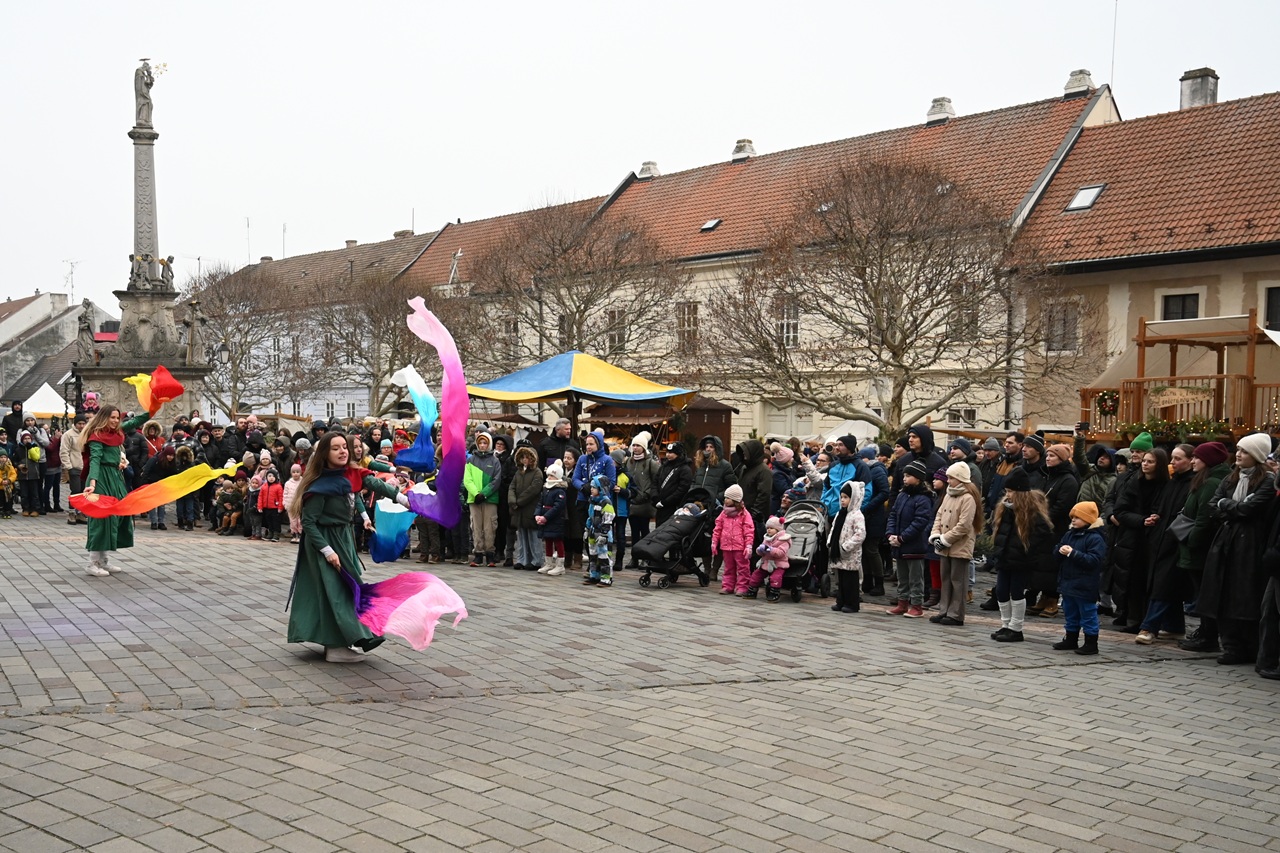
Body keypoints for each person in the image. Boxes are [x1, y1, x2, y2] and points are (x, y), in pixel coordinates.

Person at [286, 430, 410, 663]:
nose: (343, 451)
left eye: (345, 446)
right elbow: (309, 524)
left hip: (344, 537)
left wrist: (406, 499)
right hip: (324, 541)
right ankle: (336, 647)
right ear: (325, 453)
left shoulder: (352, 473)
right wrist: (328, 551)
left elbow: (374, 484)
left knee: (344, 590)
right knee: (337, 592)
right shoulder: (320, 485)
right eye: (336, 448)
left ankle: (337, 642)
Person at [1193, 433, 1275, 664]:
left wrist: (1228, 506)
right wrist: (1233, 506)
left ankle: (1247, 645)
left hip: (1250, 544)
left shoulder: (1267, 480)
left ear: (1257, 455)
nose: (1239, 454)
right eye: (1238, 449)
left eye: (1245, 451)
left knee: (1244, 595)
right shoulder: (1230, 478)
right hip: (1225, 541)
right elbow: (1213, 506)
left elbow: (1250, 510)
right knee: (1222, 592)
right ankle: (1230, 645)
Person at [1136, 444, 1195, 643]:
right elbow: (1161, 506)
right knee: (1169, 585)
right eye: (1172, 458)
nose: (1173, 462)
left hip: (1177, 540)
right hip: (1161, 538)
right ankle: (1174, 626)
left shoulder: (1193, 483)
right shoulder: (1172, 482)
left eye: (1178, 459)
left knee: (1164, 584)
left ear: (1190, 460)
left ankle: (1148, 627)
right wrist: (1156, 516)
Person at [80, 406, 149, 576]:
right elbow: (95, 460)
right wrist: (93, 482)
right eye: (112, 417)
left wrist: (153, 409)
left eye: (117, 418)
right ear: (104, 417)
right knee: (101, 519)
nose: (115, 421)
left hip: (116, 476)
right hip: (101, 477)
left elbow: (136, 421)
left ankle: (103, 561)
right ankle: (92, 562)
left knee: (116, 517)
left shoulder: (116, 432)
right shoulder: (97, 436)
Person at [989, 467, 1054, 642]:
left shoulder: (1031, 513)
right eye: (1007, 491)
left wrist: (1028, 554)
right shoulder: (1005, 509)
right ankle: (1005, 624)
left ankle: (1016, 628)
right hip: (1005, 557)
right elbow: (1000, 533)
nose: (1007, 495)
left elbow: (1042, 536)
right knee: (1001, 591)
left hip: (1021, 560)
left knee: (1017, 592)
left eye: (1011, 491)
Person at [1175, 442, 1231, 640]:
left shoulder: (1210, 483)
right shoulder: (1205, 479)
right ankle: (1205, 630)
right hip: (1195, 547)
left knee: (1204, 593)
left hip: (1199, 549)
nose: (1193, 461)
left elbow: (1204, 518)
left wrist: (1191, 542)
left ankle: (1208, 633)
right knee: (1200, 592)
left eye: (1197, 458)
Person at [1110, 448, 1169, 631]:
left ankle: (1146, 620)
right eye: (1145, 461)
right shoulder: (1133, 483)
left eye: (1150, 462)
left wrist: (1154, 519)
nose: (1145, 464)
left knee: (1149, 581)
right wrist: (1142, 520)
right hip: (1132, 536)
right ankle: (1131, 617)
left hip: (1155, 538)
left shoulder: (1166, 486)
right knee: (1131, 578)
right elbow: (1120, 510)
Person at [929, 461, 983, 626]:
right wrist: (936, 535)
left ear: (960, 479)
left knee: (957, 580)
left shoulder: (968, 498)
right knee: (945, 578)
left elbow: (964, 526)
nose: (948, 481)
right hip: (944, 544)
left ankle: (956, 614)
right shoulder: (948, 495)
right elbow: (939, 516)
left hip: (959, 545)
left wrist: (945, 539)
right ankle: (944, 610)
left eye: (951, 478)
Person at [1054, 501, 1108, 655]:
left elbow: (1094, 561)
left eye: (1078, 517)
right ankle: (1071, 638)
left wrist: (1073, 553)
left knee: (1088, 613)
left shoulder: (1095, 538)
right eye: (1072, 517)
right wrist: (1059, 550)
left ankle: (1091, 643)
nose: (1073, 520)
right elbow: (1057, 553)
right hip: (1068, 582)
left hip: (1085, 585)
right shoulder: (1069, 534)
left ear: (1088, 520)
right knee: (1070, 612)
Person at [886, 460, 934, 618]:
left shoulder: (923, 498)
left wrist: (902, 537)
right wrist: (890, 534)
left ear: (919, 478)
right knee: (902, 576)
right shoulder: (902, 495)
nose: (904, 478)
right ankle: (902, 603)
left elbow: (920, 522)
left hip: (914, 546)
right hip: (899, 544)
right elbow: (893, 514)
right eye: (904, 475)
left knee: (915, 577)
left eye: (908, 475)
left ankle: (917, 605)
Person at [828, 480, 867, 614]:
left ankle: (852, 603)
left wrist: (846, 546)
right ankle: (841, 601)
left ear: (854, 498)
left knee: (851, 580)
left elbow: (860, 534)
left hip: (850, 553)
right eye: (842, 497)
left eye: (846, 497)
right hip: (839, 551)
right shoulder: (841, 513)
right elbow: (833, 529)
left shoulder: (857, 515)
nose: (843, 500)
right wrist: (830, 541)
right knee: (841, 579)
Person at [464, 431, 502, 566]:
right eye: (480, 442)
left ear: (489, 444)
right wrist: (476, 494)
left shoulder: (495, 461)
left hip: (490, 499)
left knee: (489, 526)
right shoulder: (470, 460)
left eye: (485, 443)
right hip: (474, 499)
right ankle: (478, 553)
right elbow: (467, 480)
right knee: (475, 526)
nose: (482, 445)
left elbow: (496, 480)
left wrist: (484, 494)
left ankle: (490, 553)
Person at [712, 483, 755, 596]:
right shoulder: (724, 513)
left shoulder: (744, 514)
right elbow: (718, 528)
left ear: (736, 500)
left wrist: (748, 545)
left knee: (743, 567)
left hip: (740, 546)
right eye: (725, 498)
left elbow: (749, 530)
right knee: (728, 567)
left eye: (729, 498)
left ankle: (742, 586)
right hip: (726, 545)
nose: (726, 500)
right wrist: (714, 542)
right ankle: (728, 585)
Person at [624, 432, 660, 565]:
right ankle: (635, 557)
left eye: (638, 445)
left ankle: (645, 557)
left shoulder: (651, 463)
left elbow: (656, 480)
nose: (635, 448)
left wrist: (648, 493)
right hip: (632, 502)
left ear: (644, 447)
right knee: (634, 532)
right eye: (634, 445)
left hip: (645, 502)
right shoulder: (629, 462)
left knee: (644, 531)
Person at [508, 445, 544, 571]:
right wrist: (513, 501)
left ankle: (536, 560)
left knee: (533, 536)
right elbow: (512, 487)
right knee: (522, 536)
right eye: (522, 457)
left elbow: (533, 490)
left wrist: (519, 501)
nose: (524, 460)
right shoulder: (519, 473)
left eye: (527, 457)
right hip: (519, 509)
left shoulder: (537, 473)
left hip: (531, 508)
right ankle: (522, 559)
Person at [744, 516, 791, 602]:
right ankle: (752, 590)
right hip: (766, 562)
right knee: (756, 575)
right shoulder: (767, 538)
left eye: (772, 528)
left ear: (778, 529)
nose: (769, 530)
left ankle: (774, 592)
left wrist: (770, 550)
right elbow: (761, 550)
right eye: (768, 528)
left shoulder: (784, 540)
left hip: (778, 563)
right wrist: (760, 550)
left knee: (775, 577)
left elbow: (781, 553)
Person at [535, 460, 569, 576]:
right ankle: (548, 563)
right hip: (546, 519)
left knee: (557, 541)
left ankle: (560, 565)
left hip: (555, 520)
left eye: (552, 476)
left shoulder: (560, 491)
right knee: (548, 540)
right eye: (549, 475)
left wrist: (545, 517)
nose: (549, 478)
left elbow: (557, 507)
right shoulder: (545, 489)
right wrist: (537, 515)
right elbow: (540, 503)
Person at [582, 475, 616, 586]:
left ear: (601, 488)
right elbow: (589, 516)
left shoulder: (606, 502)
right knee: (593, 555)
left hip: (602, 534)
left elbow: (608, 518)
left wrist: (604, 533)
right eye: (591, 487)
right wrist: (587, 529)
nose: (591, 489)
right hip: (593, 532)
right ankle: (594, 575)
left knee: (604, 556)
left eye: (594, 487)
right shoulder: (592, 501)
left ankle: (606, 578)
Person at [655, 442, 692, 525]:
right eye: (667, 452)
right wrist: (655, 497)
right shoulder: (664, 466)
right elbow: (655, 481)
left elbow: (682, 489)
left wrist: (666, 502)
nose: (668, 455)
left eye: (671, 453)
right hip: (660, 506)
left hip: (673, 507)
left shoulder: (685, 469)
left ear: (678, 454)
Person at [692, 435, 736, 506]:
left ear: (716, 449)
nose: (708, 449)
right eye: (706, 447)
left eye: (711, 447)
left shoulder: (725, 466)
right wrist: (692, 495)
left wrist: (716, 498)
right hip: (698, 503)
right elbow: (694, 483)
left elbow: (731, 487)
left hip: (714, 505)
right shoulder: (701, 464)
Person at [16, 431, 43, 517]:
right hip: (22, 475)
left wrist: (30, 448)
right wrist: (18, 465)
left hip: (33, 474)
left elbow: (36, 458)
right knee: (24, 493)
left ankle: (35, 509)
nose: (27, 440)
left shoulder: (35, 448)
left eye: (28, 438)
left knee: (34, 493)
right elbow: (14, 460)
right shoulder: (18, 449)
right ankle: (25, 508)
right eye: (25, 439)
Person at [258, 468, 285, 542]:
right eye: (269, 476)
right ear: (266, 477)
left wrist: (280, 507)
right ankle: (270, 533)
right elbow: (260, 497)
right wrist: (260, 506)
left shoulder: (278, 486)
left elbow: (281, 497)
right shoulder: (264, 486)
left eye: (273, 476)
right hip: (266, 507)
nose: (271, 478)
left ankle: (276, 534)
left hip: (275, 508)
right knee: (269, 521)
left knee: (276, 521)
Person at [283, 463, 304, 544]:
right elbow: (285, 494)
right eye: (294, 472)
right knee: (293, 521)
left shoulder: (302, 482)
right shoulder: (288, 483)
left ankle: (300, 534)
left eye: (297, 472)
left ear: (300, 472)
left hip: (299, 505)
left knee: (300, 521)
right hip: (290, 505)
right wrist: (285, 503)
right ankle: (294, 534)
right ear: (291, 473)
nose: (295, 474)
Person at [0, 449, 16, 518]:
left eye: (4, 457)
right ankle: (2, 510)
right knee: (1, 499)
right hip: (1, 487)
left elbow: (14, 475)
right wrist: (1, 481)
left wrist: (9, 480)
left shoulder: (10, 466)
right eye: (1, 457)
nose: (3, 459)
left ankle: (8, 511)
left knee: (8, 500)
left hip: (8, 487)